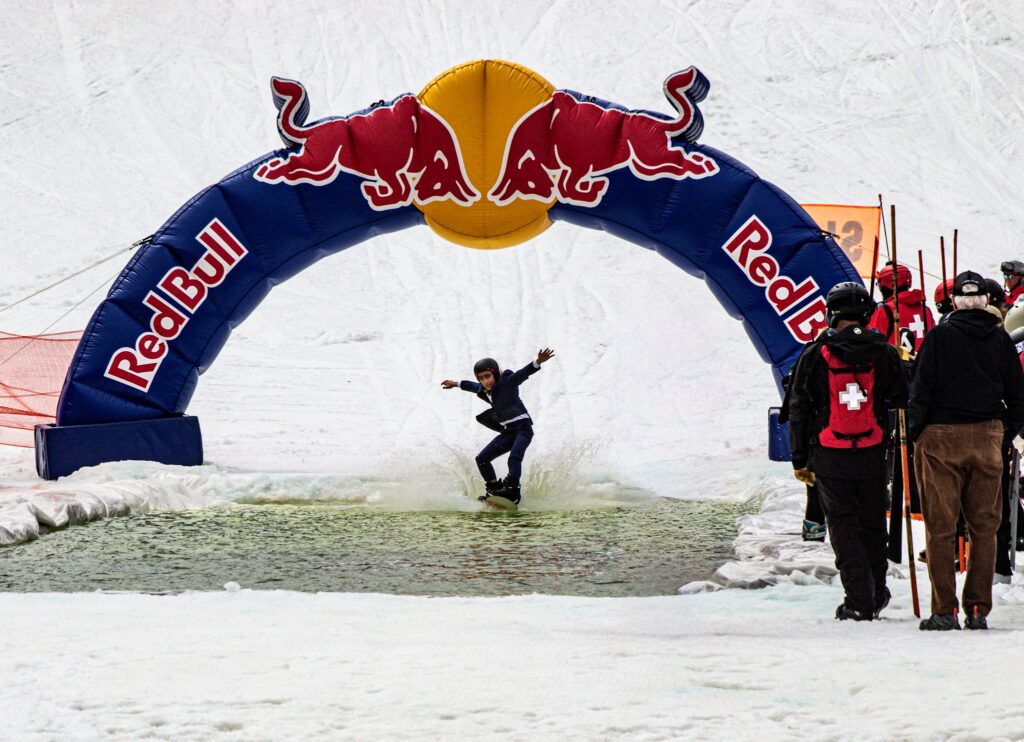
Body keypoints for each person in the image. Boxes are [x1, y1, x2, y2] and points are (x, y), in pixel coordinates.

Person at [909, 271, 1024, 630]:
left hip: (940, 439)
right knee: (984, 527)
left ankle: (945, 609)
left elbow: (920, 389)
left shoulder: (939, 336)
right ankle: (977, 608)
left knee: (940, 528)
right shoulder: (1000, 339)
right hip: (987, 436)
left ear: (955, 302)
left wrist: (917, 432)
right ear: (986, 301)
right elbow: (1017, 395)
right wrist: (1003, 434)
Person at [787, 282, 907, 621]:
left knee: (844, 528)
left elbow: (799, 407)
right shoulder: (885, 352)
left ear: (831, 313)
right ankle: (876, 593)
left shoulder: (815, 353)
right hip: (872, 453)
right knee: (873, 526)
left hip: (830, 456)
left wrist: (799, 458)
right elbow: (902, 397)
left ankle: (859, 601)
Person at [442, 349, 555, 504]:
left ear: (495, 374)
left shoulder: (507, 382)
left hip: (523, 429)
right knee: (482, 459)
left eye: (487, 376)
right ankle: (494, 489)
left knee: (514, 457)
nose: (485, 381)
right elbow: (472, 386)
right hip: (509, 431)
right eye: (481, 378)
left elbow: (522, 374)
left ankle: (512, 490)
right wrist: (455, 384)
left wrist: (538, 362)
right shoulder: (484, 389)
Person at [868, 262, 935, 355]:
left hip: (897, 362)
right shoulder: (926, 310)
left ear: (885, 286)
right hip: (924, 361)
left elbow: (872, 345)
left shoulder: (885, 311)